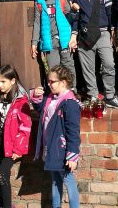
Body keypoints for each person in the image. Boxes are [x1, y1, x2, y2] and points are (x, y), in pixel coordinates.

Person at [72, 0, 118, 108]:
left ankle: (110, 95)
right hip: (85, 36)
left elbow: (110, 13)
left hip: (103, 34)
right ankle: (93, 95)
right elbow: (76, 19)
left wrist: (113, 31)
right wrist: (74, 35)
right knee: (88, 68)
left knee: (109, 64)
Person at [31, 65, 81, 208]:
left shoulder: (70, 103)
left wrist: (72, 156)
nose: (48, 84)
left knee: (68, 181)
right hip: (51, 147)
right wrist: (37, 96)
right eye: (48, 81)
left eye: (52, 81)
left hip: (62, 149)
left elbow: (73, 131)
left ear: (63, 83)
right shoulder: (50, 98)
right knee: (55, 180)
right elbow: (40, 109)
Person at [0, 64, 34, 208]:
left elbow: (25, 126)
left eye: (3, 82)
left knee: (2, 174)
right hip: (0, 141)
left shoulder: (21, 100)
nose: (0, 85)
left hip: (12, 143)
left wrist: (18, 149)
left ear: (13, 81)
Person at [31, 0, 77, 86]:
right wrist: (34, 42)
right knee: (53, 69)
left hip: (64, 40)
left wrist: (73, 36)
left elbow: (70, 17)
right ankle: (56, 91)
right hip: (50, 41)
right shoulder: (39, 3)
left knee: (68, 66)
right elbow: (37, 23)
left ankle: (71, 89)